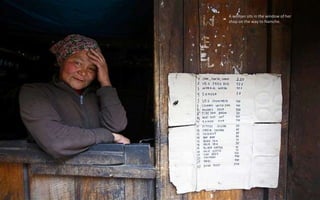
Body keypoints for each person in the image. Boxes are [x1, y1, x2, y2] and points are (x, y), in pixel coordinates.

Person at [19, 34, 130, 159]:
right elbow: (57, 142)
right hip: (50, 175)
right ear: (61, 61)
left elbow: (117, 125)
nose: (83, 72)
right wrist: (110, 136)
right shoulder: (35, 93)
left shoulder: (97, 96)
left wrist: (105, 82)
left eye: (92, 68)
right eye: (77, 63)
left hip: (100, 173)